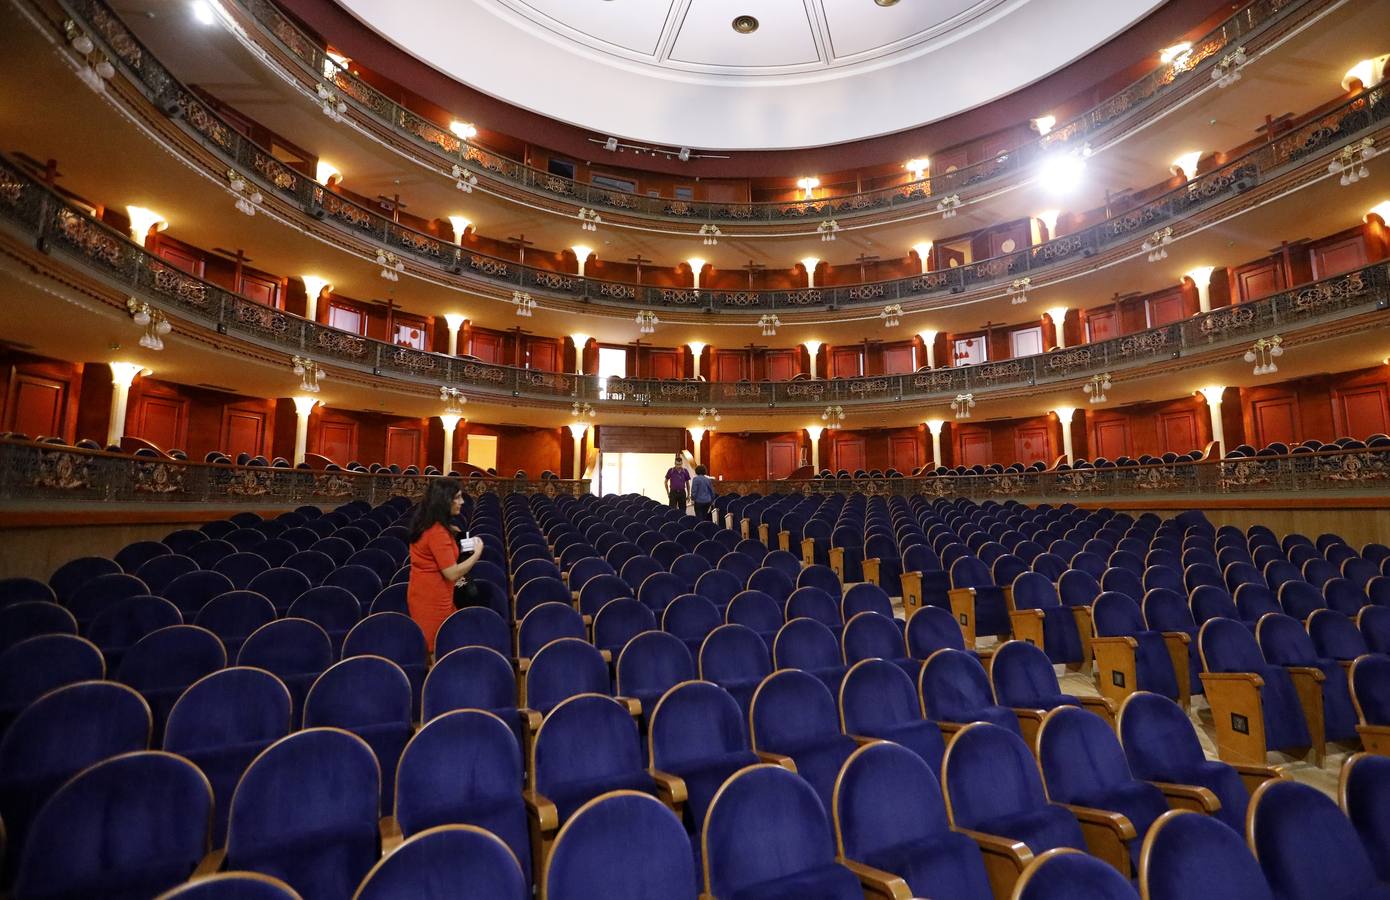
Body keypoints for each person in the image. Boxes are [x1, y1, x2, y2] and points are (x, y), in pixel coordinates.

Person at [407, 477, 484, 655]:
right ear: (444, 500)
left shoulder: (431, 524)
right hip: (432, 599)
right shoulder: (437, 532)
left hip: (429, 592)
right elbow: (451, 573)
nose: (462, 501)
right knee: (438, 648)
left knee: (446, 642)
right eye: (457, 497)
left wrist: (450, 534)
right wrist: (478, 552)